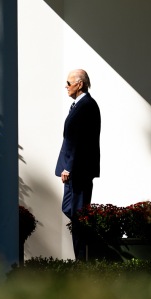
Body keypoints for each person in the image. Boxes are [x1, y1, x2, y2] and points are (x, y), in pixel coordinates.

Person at [55, 68, 101, 260]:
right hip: (76, 171)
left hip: (79, 171)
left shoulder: (87, 106)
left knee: (78, 216)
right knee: (71, 211)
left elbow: (78, 141)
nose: (65, 86)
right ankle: (82, 258)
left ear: (79, 84)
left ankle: (82, 262)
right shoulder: (78, 105)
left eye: (68, 83)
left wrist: (69, 167)